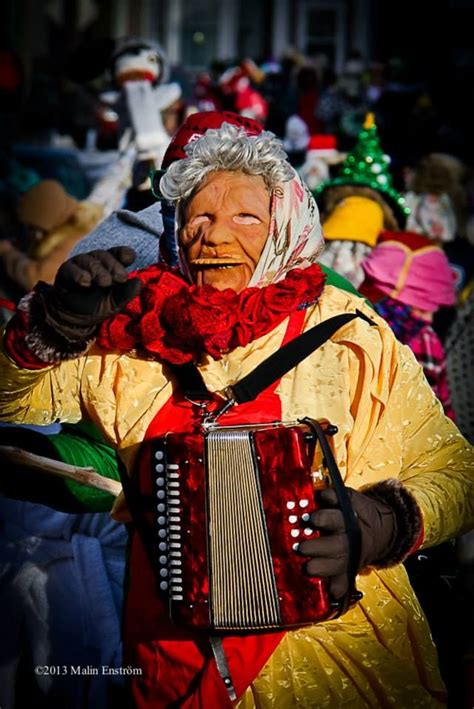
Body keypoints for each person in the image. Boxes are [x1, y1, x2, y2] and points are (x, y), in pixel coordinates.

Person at [0, 111, 473, 708]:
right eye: (200, 216)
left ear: (283, 222)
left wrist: (381, 523)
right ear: (174, 229)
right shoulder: (128, 335)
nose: (217, 236)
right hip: (177, 671)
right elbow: (11, 401)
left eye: (245, 216)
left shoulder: (350, 334)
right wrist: (56, 323)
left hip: (346, 668)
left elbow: (459, 472)